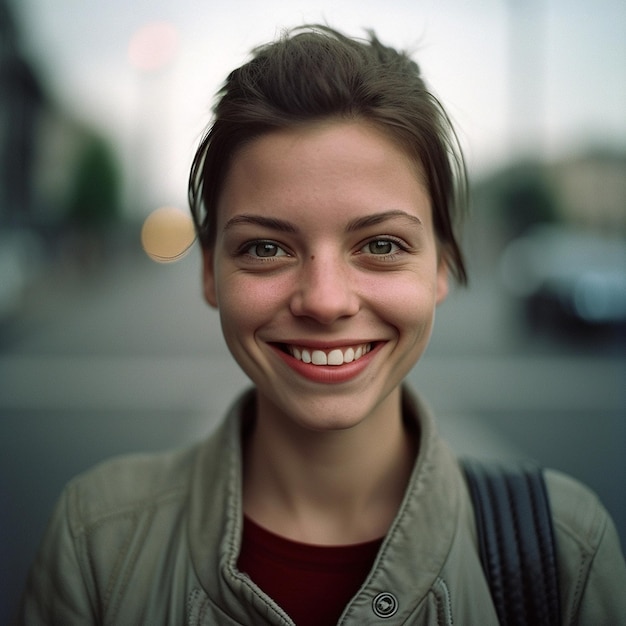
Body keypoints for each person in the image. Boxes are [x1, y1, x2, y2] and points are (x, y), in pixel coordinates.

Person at [19, 25, 626, 625]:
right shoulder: (96, 542)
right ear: (209, 273)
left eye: (382, 244)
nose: (326, 301)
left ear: (442, 265)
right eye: (264, 248)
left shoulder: (565, 549)